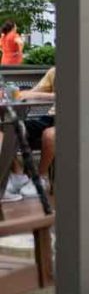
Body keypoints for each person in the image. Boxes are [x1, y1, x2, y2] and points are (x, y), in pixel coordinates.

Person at [3, 67, 57, 201]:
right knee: (11, 129)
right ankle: (18, 175)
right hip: (50, 117)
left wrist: (34, 95)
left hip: (75, 119)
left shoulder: (88, 72)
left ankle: (40, 177)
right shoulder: (55, 71)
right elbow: (28, 93)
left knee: (49, 135)